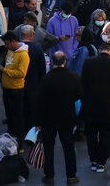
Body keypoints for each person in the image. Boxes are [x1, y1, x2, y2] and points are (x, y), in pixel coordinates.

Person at [81, 42, 110, 173]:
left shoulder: (88, 62)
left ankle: (93, 160)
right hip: (109, 107)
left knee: (91, 135)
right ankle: (101, 162)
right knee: (106, 135)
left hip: (90, 107)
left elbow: (82, 83)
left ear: (99, 50)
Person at [37, 51, 83, 185]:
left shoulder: (46, 79)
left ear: (52, 62)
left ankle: (49, 175)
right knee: (68, 147)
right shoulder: (73, 77)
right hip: (67, 117)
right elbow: (78, 96)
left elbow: (40, 102)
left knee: (49, 147)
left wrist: (38, 122)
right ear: (64, 62)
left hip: (48, 119)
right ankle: (71, 175)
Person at [0, 31, 30, 150]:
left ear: (13, 41)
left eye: (7, 44)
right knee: (10, 116)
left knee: (17, 118)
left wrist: (4, 71)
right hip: (7, 89)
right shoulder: (10, 51)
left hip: (16, 91)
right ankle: (10, 140)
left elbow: (21, 74)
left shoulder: (23, 55)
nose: (5, 46)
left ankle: (19, 143)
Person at [20, 25, 46, 133]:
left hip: (18, 85)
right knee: (32, 109)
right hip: (33, 85)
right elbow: (42, 69)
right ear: (31, 35)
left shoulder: (15, 48)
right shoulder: (37, 49)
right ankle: (31, 131)